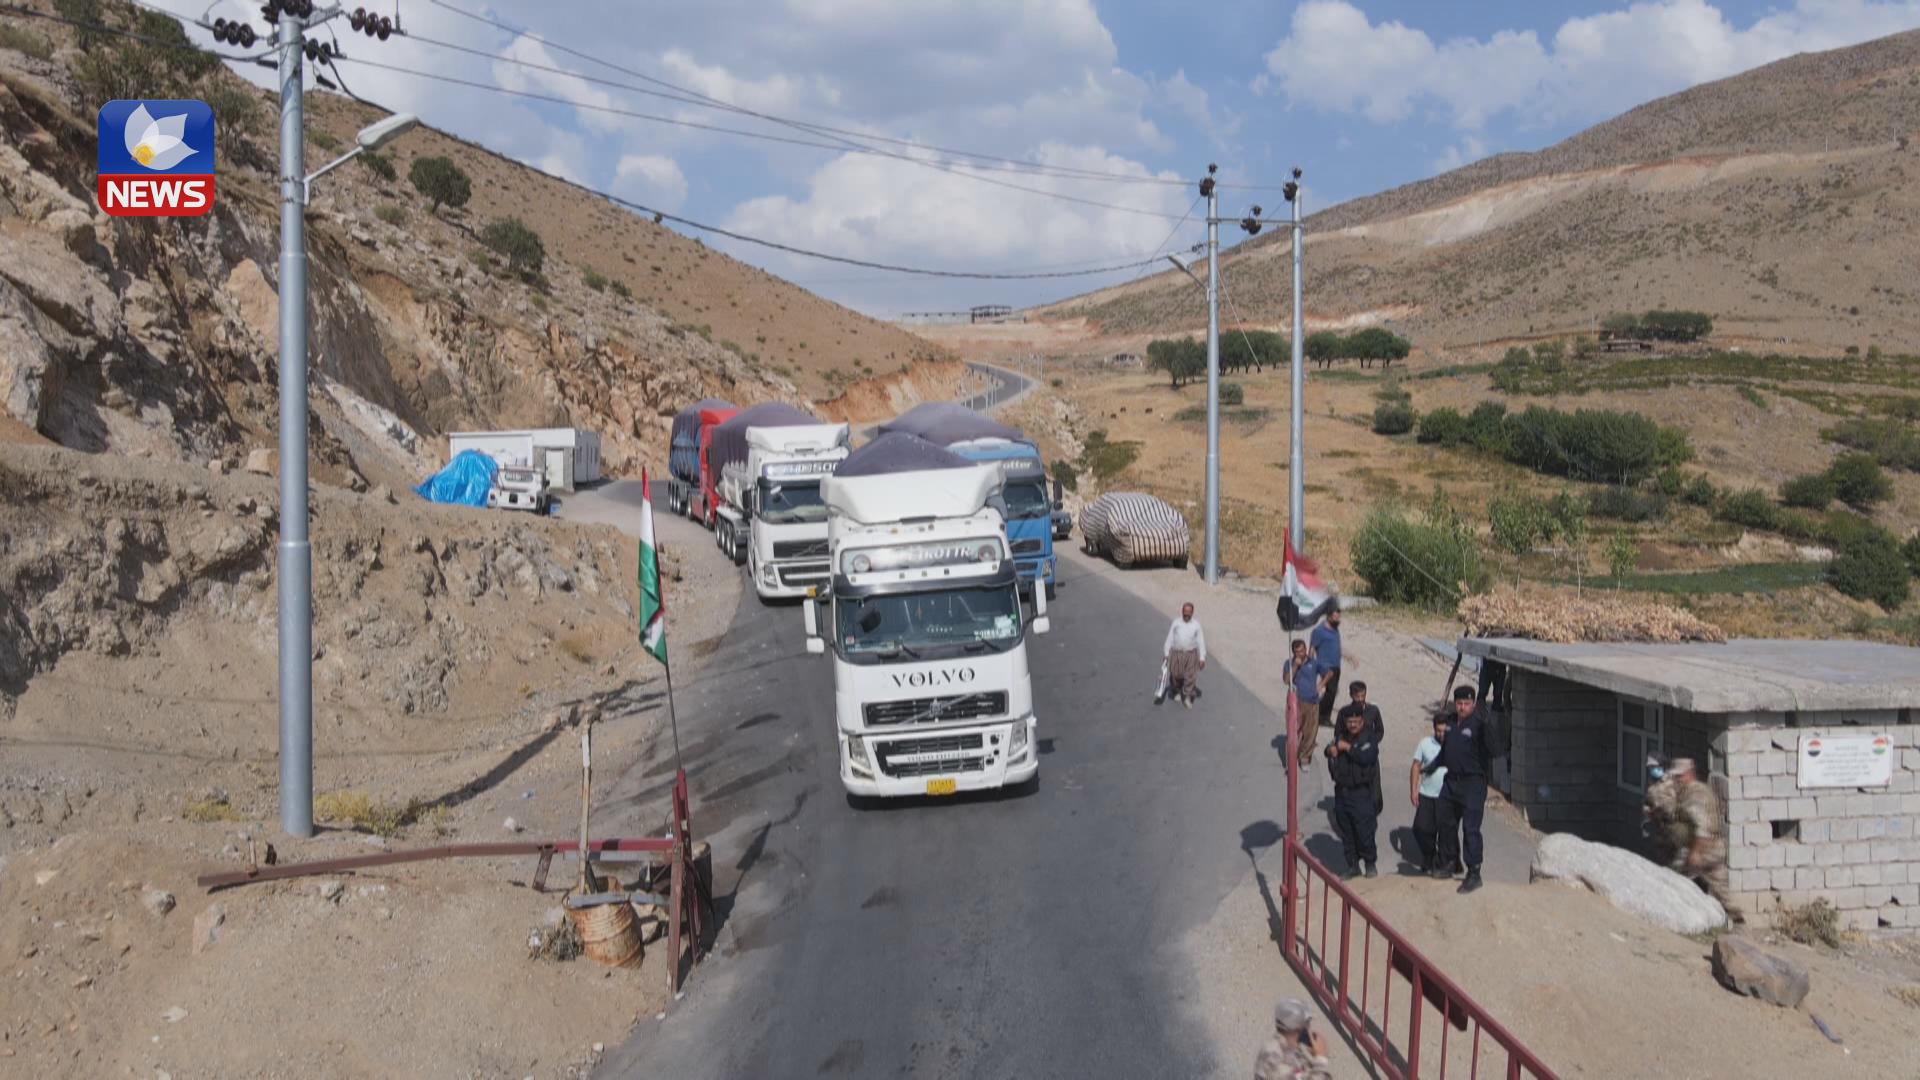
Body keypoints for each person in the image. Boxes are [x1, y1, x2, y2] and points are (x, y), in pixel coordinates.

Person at [1434, 686, 1502, 894]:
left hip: (1472, 783)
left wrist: (1488, 724)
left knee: (1470, 829)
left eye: (1466, 704)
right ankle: (1449, 862)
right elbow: (1446, 750)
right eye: (1460, 703)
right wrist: (1432, 767)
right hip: (1451, 781)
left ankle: (1474, 873)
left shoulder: (1479, 724)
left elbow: (1494, 750)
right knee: (1445, 822)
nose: (1462, 707)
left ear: (1473, 704)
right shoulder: (1452, 722)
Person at [1665, 758, 1744, 923]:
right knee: (1723, 892)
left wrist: (1694, 853)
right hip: (1714, 848)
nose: (1676, 780)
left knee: (1673, 879)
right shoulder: (1694, 791)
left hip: (1703, 849)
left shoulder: (1695, 794)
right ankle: (1738, 921)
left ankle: (1677, 920)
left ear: (1689, 774)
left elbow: (1702, 827)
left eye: (1679, 776)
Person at [1326, 707, 1380, 879]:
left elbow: (1367, 757)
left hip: (1361, 793)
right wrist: (1330, 751)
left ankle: (1370, 864)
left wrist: (1347, 748)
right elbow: (1329, 749)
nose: (1352, 725)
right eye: (1349, 722)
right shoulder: (1341, 736)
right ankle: (1352, 865)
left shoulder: (1369, 738)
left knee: (1364, 831)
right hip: (1343, 792)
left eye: (1355, 722)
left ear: (1362, 722)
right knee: (1347, 831)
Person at [1335, 681, 1385, 812]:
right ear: (1351, 695)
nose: (1361, 699)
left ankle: (1375, 807)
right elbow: (1338, 733)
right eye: (1357, 696)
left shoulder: (1373, 710)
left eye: (1363, 696)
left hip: (1369, 753)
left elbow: (1380, 730)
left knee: (1374, 781)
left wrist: (1372, 743)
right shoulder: (1344, 713)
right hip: (1350, 754)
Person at [1410, 712, 1450, 873]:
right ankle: (1429, 855)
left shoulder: (1454, 744)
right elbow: (1416, 766)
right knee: (1420, 828)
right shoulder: (1425, 743)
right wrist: (1413, 790)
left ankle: (1440, 864)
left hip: (1447, 796)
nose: (1441, 734)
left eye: (1444, 731)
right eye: (1438, 730)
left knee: (1445, 833)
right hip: (1426, 793)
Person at [1253, 998, 1332, 1080]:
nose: (1309, 1030)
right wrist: (1321, 1058)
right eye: (1306, 1026)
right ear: (1298, 1029)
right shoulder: (1273, 1055)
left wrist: (1312, 1058)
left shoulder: (1288, 1047)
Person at [1284, 639, 1332, 765]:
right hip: (1296, 702)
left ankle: (1305, 757)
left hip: (1312, 702)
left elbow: (1329, 673)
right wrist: (1295, 666)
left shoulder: (1314, 663)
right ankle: (1290, 760)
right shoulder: (1289, 663)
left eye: (1303, 650)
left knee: (1310, 732)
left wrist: (1321, 684)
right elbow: (1286, 680)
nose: (1301, 653)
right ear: (1293, 652)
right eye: (1298, 651)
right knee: (1293, 731)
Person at [1309, 608, 1343, 754]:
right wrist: (1311, 666)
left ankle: (1325, 716)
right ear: (1329, 616)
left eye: (1339, 617)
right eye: (1336, 617)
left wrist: (1349, 656)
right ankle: (1318, 715)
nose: (1338, 619)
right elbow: (1312, 649)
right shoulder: (1319, 631)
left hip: (1336, 665)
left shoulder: (1335, 630)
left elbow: (1338, 648)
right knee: (1330, 691)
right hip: (1325, 665)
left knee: (1333, 691)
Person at [1162, 602, 1207, 708]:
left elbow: (1201, 641)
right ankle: (1176, 690)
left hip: (1191, 654)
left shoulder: (1196, 625)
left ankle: (1187, 696)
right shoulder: (1176, 623)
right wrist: (1166, 653)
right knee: (1175, 675)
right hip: (1177, 653)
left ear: (1192, 613)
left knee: (1190, 676)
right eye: (1185, 612)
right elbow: (1170, 638)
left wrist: (1202, 658)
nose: (1186, 615)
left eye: (1189, 613)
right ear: (1182, 611)